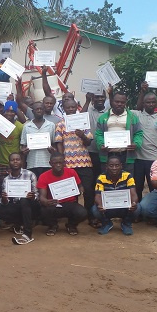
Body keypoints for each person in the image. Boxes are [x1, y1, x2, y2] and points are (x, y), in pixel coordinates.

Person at [55, 99, 96, 227]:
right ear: (64, 109)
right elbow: (58, 142)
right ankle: (73, 218)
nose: (71, 109)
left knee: (88, 190)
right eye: (68, 107)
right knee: (72, 192)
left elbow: (89, 142)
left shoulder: (83, 123)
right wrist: (62, 160)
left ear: (77, 107)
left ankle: (90, 216)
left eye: (73, 107)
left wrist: (82, 135)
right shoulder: (61, 124)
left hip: (84, 163)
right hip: (68, 164)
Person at [37, 152, 87, 236]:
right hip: (54, 204)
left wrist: (80, 192)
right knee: (42, 211)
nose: (58, 165)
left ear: (64, 163)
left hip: (70, 203)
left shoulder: (71, 172)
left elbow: (80, 186)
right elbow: (42, 197)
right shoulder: (43, 176)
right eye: (55, 163)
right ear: (50, 164)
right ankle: (52, 225)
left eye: (60, 162)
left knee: (82, 213)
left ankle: (71, 225)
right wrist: (46, 201)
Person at [132, 91, 157, 201]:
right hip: (137, 158)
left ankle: (154, 212)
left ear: (156, 103)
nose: (151, 104)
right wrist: (142, 91)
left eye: (153, 102)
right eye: (148, 102)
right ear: (143, 103)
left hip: (153, 159)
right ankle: (138, 212)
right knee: (137, 186)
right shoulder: (136, 115)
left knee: (154, 187)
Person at [94, 91, 143, 174]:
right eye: (117, 102)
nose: (119, 104)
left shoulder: (132, 117)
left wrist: (136, 144)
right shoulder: (103, 118)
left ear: (125, 103)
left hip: (126, 156)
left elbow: (138, 133)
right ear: (112, 101)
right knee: (107, 182)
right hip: (108, 155)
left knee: (127, 182)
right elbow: (98, 134)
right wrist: (101, 144)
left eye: (122, 102)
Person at [0, 153, 39, 245]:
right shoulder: (6, 180)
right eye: (12, 160)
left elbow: (37, 195)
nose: (15, 161)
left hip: (31, 204)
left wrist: (32, 196)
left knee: (24, 200)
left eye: (17, 159)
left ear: (22, 162)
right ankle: (18, 224)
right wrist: (4, 198)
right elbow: (5, 202)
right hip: (17, 206)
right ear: (9, 163)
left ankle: (27, 234)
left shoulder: (30, 174)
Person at [92, 156, 140, 236]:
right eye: (111, 165)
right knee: (95, 209)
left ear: (121, 166)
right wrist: (100, 205)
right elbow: (98, 195)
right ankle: (107, 223)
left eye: (117, 165)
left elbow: (133, 193)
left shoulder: (128, 176)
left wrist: (134, 203)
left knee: (137, 208)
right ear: (106, 166)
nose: (114, 168)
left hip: (124, 207)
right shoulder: (101, 177)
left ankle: (126, 223)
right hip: (108, 208)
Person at [0, 101, 25, 184]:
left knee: (15, 186)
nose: (9, 113)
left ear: (15, 113)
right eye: (7, 111)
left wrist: (22, 163)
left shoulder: (20, 126)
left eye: (12, 112)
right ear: (4, 112)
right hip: (1, 162)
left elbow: (23, 145)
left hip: (15, 163)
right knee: (2, 187)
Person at [20, 101, 56, 179]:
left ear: (44, 110)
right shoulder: (27, 126)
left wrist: (53, 150)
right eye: (37, 109)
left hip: (48, 163)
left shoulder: (51, 125)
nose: (39, 110)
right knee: (35, 187)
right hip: (32, 163)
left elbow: (54, 143)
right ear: (33, 111)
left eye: (41, 109)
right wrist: (24, 151)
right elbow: (23, 145)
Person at [81, 89, 110, 177]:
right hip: (91, 150)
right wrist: (87, 101)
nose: (100, 99)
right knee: (94, 177)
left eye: (102, 97)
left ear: (105, 98)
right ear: (93, 99)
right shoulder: (89, 110)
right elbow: (80, 117)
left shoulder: (109, 111)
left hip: (107, 150)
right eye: (97, 97)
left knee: (105, 176)